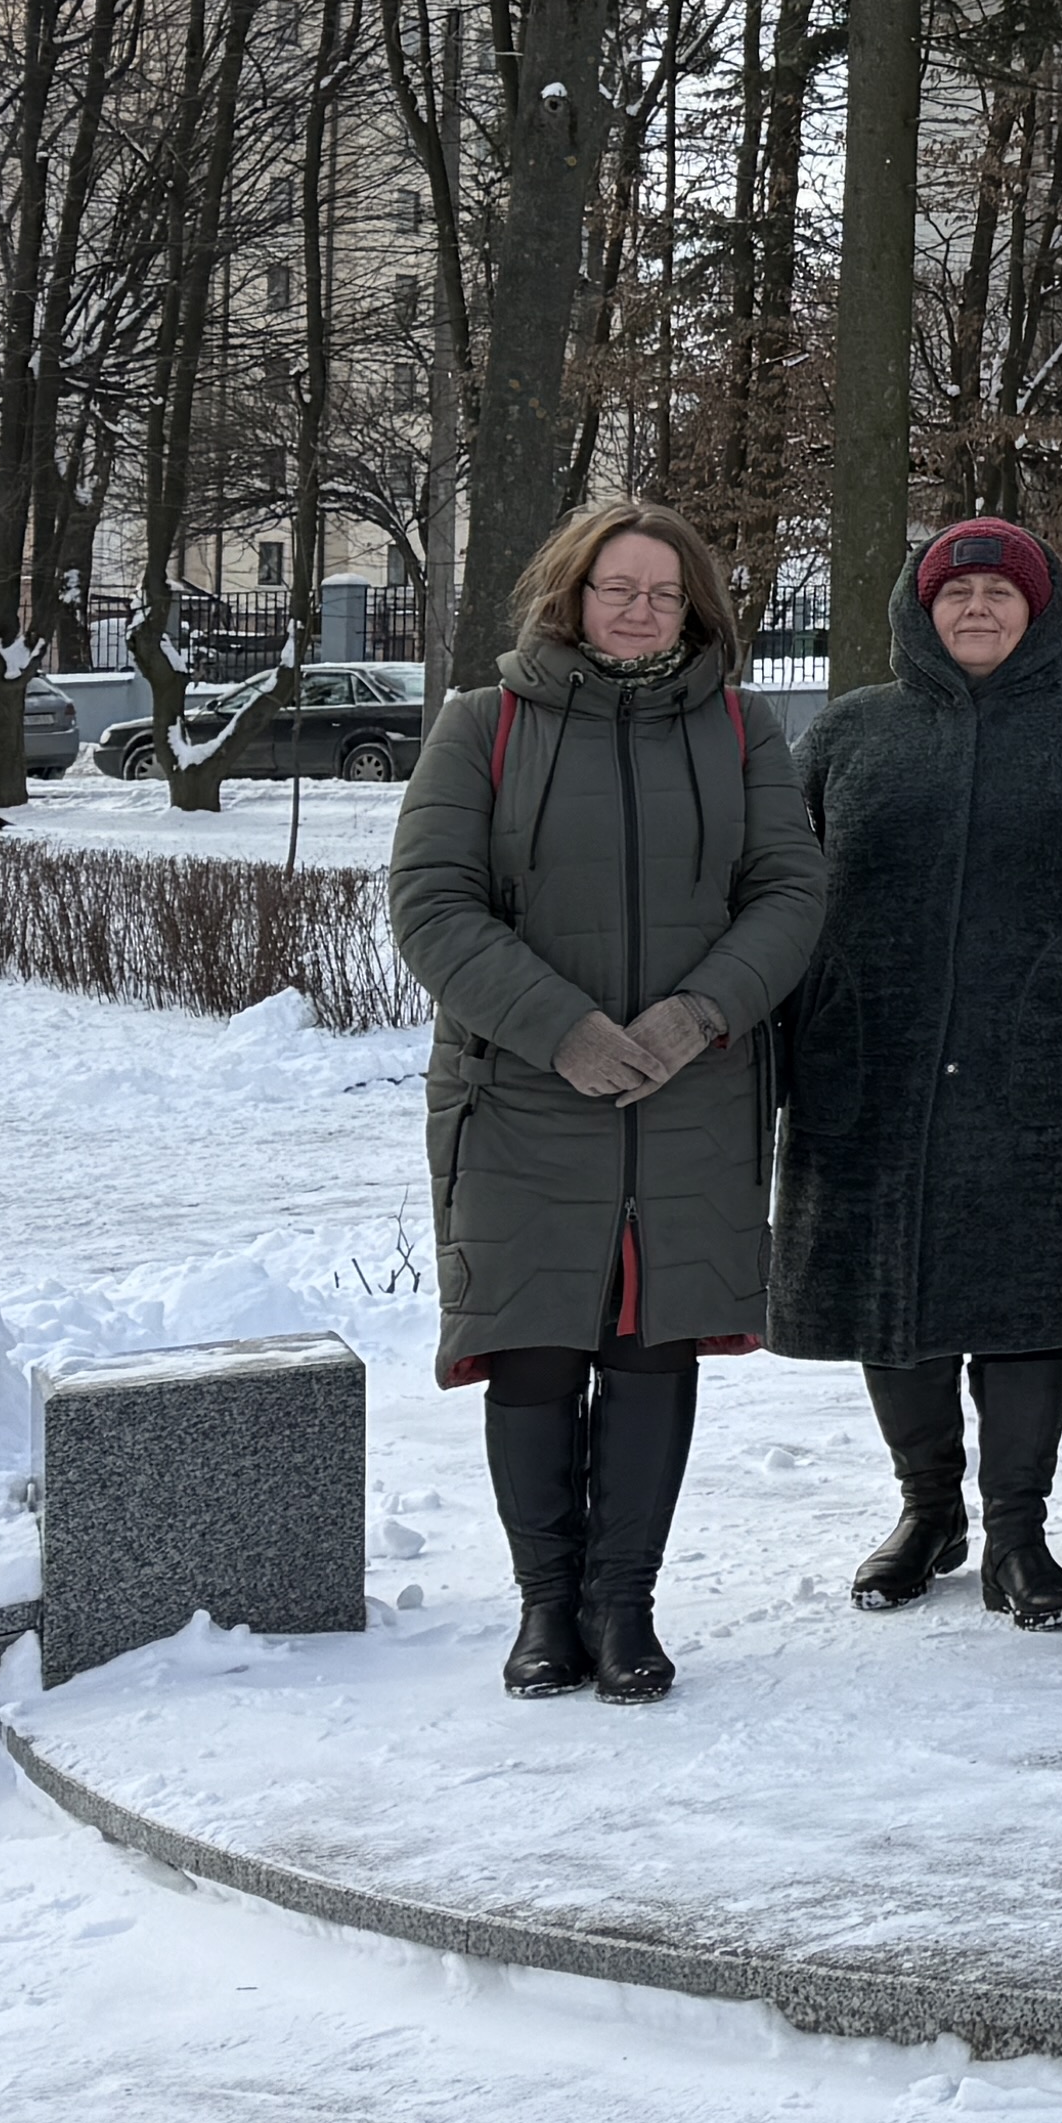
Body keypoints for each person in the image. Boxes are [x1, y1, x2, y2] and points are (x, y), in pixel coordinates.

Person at [386, 496, 828, 1705]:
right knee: (533, 1345)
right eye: (617, 589)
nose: (639, 611)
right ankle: (546, 1608)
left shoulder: (741, 727)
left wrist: (699, 1014)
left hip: (693, 1093)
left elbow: (790, 892)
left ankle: (623, 1604)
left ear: (696, 610)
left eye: (664, 594)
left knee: (651, 1347)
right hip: (521, 1097)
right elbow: (432, 903)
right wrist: (563, 1031)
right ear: (572, 595)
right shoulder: (484, 723)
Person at [771, 518, 1062, 1631]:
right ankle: (928, 1512)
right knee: (891, 1298)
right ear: (921, 609)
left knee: (1023, 1307)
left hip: (1037, 1074)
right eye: (956, 594)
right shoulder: (851, 732)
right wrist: (782, 1046)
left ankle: (1016, 1533)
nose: (978, 608)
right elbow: (780, 896)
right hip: (873, 1066)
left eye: (1003, 593)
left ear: (1039, 612)